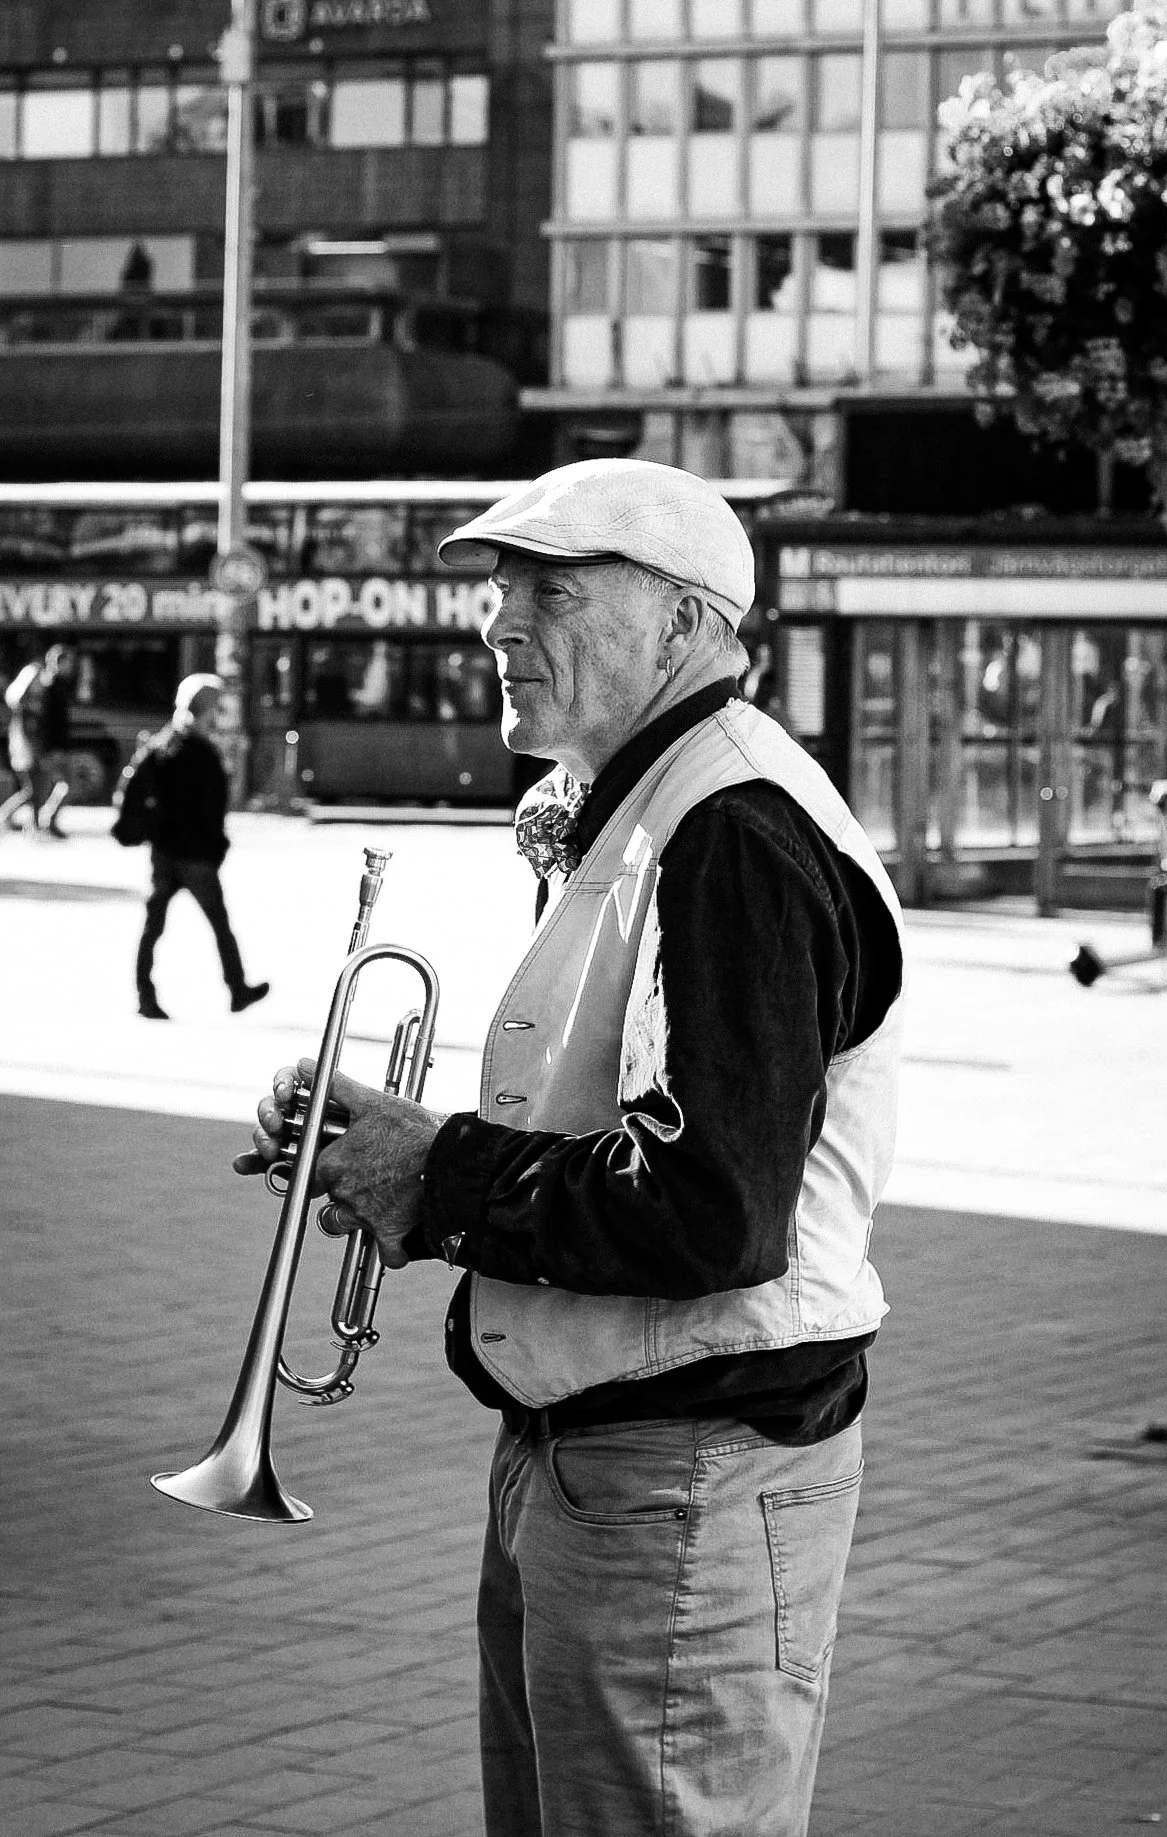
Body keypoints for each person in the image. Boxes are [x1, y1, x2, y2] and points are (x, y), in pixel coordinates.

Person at [241, 459, 904, 1836]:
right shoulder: (657, 807)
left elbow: (708, 1208)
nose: (496, 622)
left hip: (683, 1473)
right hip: (606, 1457)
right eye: (497, 587)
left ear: (683, 620)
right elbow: (610, 1128)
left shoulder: (731, 829)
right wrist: (390, 1159)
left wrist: (436, 1173)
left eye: (550, 588)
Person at [134, 672, 269, 1022]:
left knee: (154, 925)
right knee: (219, 924)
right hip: (195, 857)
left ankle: (145, 996)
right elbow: (211, 809)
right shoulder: (203, 753)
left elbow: (139, 792)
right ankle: (238, 989)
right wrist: (217, 847)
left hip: (164, 852)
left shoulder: (163, 744)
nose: (218, 715)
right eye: (216, 708)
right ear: (205, 709)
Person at [1, 643, 74, 837]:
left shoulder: (34, 704)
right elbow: (44, 727)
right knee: (40, 788)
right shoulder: (34, 704)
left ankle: (32, 823)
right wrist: (44, 749)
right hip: (37, 749)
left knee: (35, 789)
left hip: (37, 749)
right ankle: (34, 822)